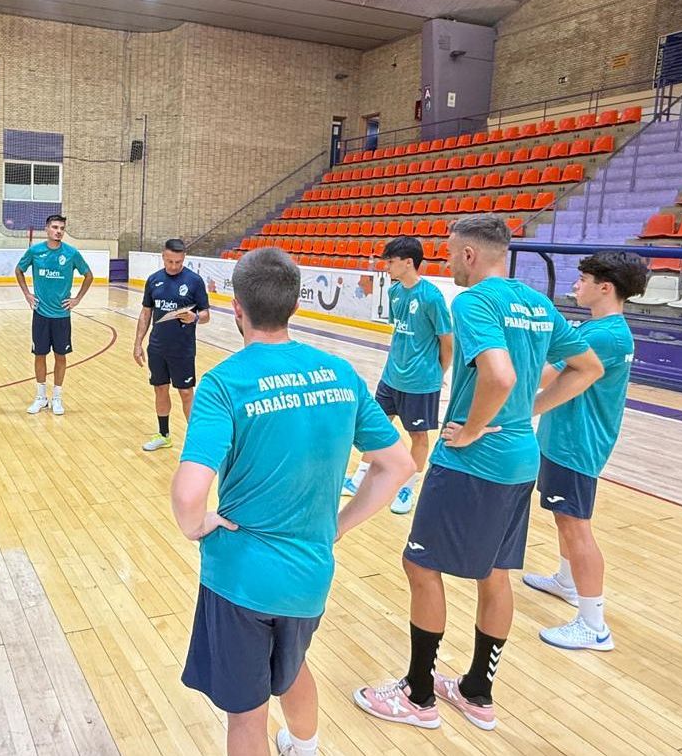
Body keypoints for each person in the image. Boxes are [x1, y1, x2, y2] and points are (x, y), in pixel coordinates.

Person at [354, 216, 604, 733]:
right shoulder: (538, 302)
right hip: (519, 460)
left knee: (420, 567)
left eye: (450, 253)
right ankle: (476, 692)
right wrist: (528, 411)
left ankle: (418, 695)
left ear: (470, 254)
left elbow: (499, 374)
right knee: (495, 575)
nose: (446, 262)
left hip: (473, 463)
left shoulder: (471, 303)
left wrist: (471, 429)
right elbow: (587, 368)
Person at [172, 247, 415, 756]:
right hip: (310, 573)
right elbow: (398, 464)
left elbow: (190, 491)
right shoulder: (339, 372)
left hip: (242, 579)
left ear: (236, 307)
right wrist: (339, 526)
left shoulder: (224, 382)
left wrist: (196, 526)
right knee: (292, 667)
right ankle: (304, 746)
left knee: (246, 715)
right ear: (294, 305)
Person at [523, 251, 648, 652]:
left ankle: (593, 624)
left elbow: (550, 374)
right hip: (567, 440)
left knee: (576, 526)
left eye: (583, 279)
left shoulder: (604, 336)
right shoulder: (606, 330)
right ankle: (566, 581)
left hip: (577, 445)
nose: (576, 285)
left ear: (604, 287)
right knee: (564, 520)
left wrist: (510, 397)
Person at [344, 236, 452, 514]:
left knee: (418, 435)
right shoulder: (394, 293)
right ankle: (360, 476)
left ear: (408, 262)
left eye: (391, 261)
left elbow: (447, 341)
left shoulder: (431, 296)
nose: (386, 267)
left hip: (420, 382)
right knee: (376, 426)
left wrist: (438, 372)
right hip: (391, 376)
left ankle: (408, 486)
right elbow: (401, 333)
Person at [134, 238, 210, 452]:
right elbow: (146, 312)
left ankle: (195, 441)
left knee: (186, 392)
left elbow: (206, 314)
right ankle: (164, 435)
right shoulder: (153, 280)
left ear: (184, 258)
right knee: (160, 389)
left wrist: (195, 318)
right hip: (157, 347)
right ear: (163, 257)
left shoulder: (195, 281)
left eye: (178, 262)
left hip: (183, 349)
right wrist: (138, 342)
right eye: (170, 261)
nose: (174, 266)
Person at [14, 214, 94, 415]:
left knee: (60, 356)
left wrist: (77, 299)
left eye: (62, 228)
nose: (59, 231)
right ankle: (41, 397)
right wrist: (27, 294)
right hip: (40, 313)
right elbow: (19, 270)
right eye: (55, 227)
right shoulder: (35, 251)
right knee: (39, 355)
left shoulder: (71, 253)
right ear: (47, 229)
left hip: (62, 316)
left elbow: (88, 275)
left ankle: (57, 398)